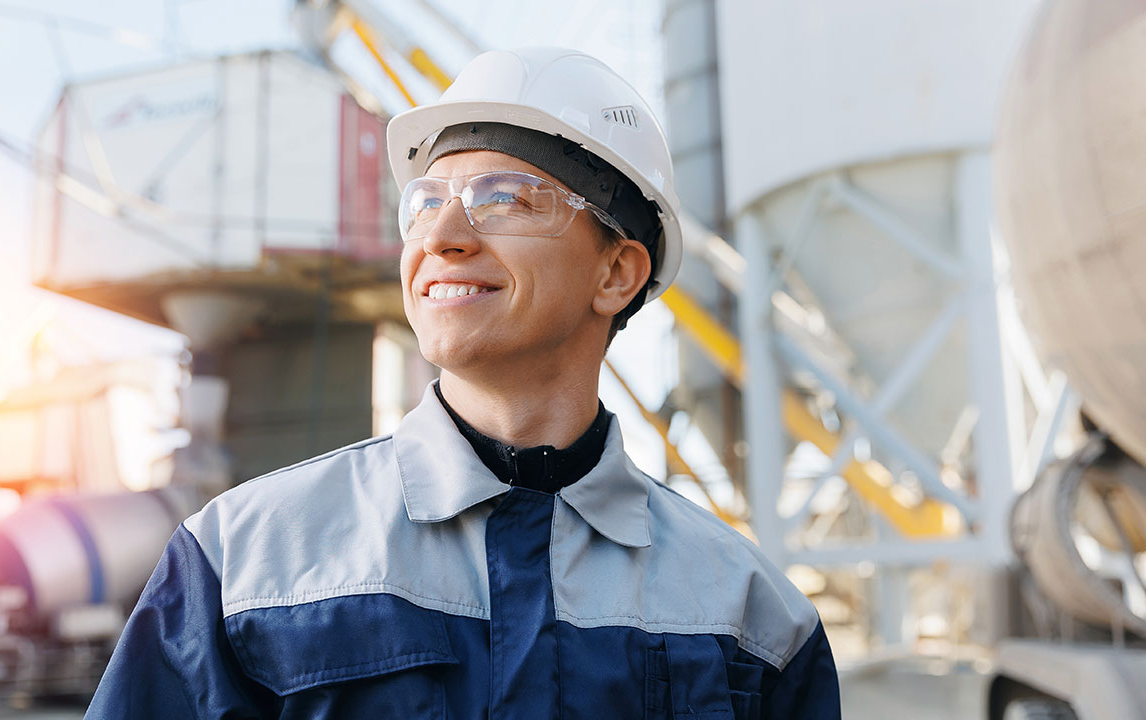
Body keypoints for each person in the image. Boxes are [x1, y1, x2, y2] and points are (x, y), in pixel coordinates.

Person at [85, 46, 841, 719]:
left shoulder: (755, 620)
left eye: (503, 198)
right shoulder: (239, 560)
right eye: (425, 203)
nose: (441, 238)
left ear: (615, 272)